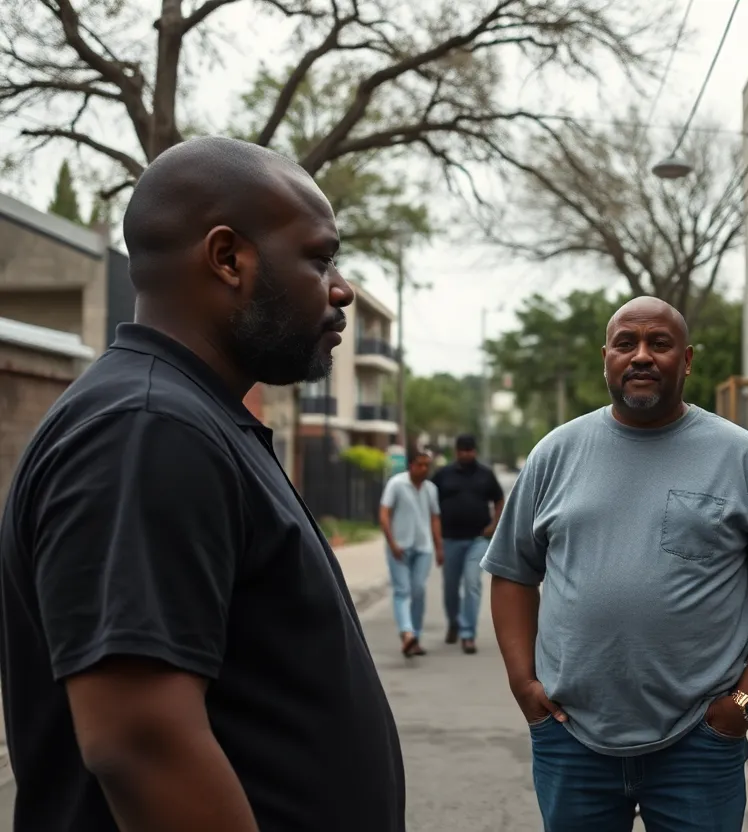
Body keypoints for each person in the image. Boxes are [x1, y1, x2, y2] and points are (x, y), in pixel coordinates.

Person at [0, 137, 405, 831]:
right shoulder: (147, 429)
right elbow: (138, 740)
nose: (339, 290)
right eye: (318, 258)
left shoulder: (186, 419)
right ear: (228, 259)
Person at [483, 296, 748, 832]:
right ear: (606, 357)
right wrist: (524, 685)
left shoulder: (741, 457)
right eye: (626, 343)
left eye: (659, 344)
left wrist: (744, 703)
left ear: (686, 360)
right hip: (571, 739)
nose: (641, 356)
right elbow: (511, 574)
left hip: (699, 744)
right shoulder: (555, 454)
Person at [432, 433, 504, 654]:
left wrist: (495, 524)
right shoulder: (443, 475)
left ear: (475, 451)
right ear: (456, 451)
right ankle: (454, 622)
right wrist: (436, 542)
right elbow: (431, 506)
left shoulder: (485, 475)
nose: (466, 454)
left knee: (472, 583)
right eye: (462, 450)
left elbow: (499, 499)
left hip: (477, 540)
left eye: (469, 450)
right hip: (450, 539)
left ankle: (468, 634)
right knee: (451, 588)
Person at [379, 447, 443, 657]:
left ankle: (415, 638)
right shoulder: (396, 484)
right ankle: (407, 633)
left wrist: (438, 546)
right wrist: (392, 542)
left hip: (423, 547)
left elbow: (434, 517)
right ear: (411, 465)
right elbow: (384, 513)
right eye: (420, 464)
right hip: (399, 547)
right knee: (402, 590)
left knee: (418, 591)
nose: (424, 469)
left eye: (427, 465)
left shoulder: (430, 489)